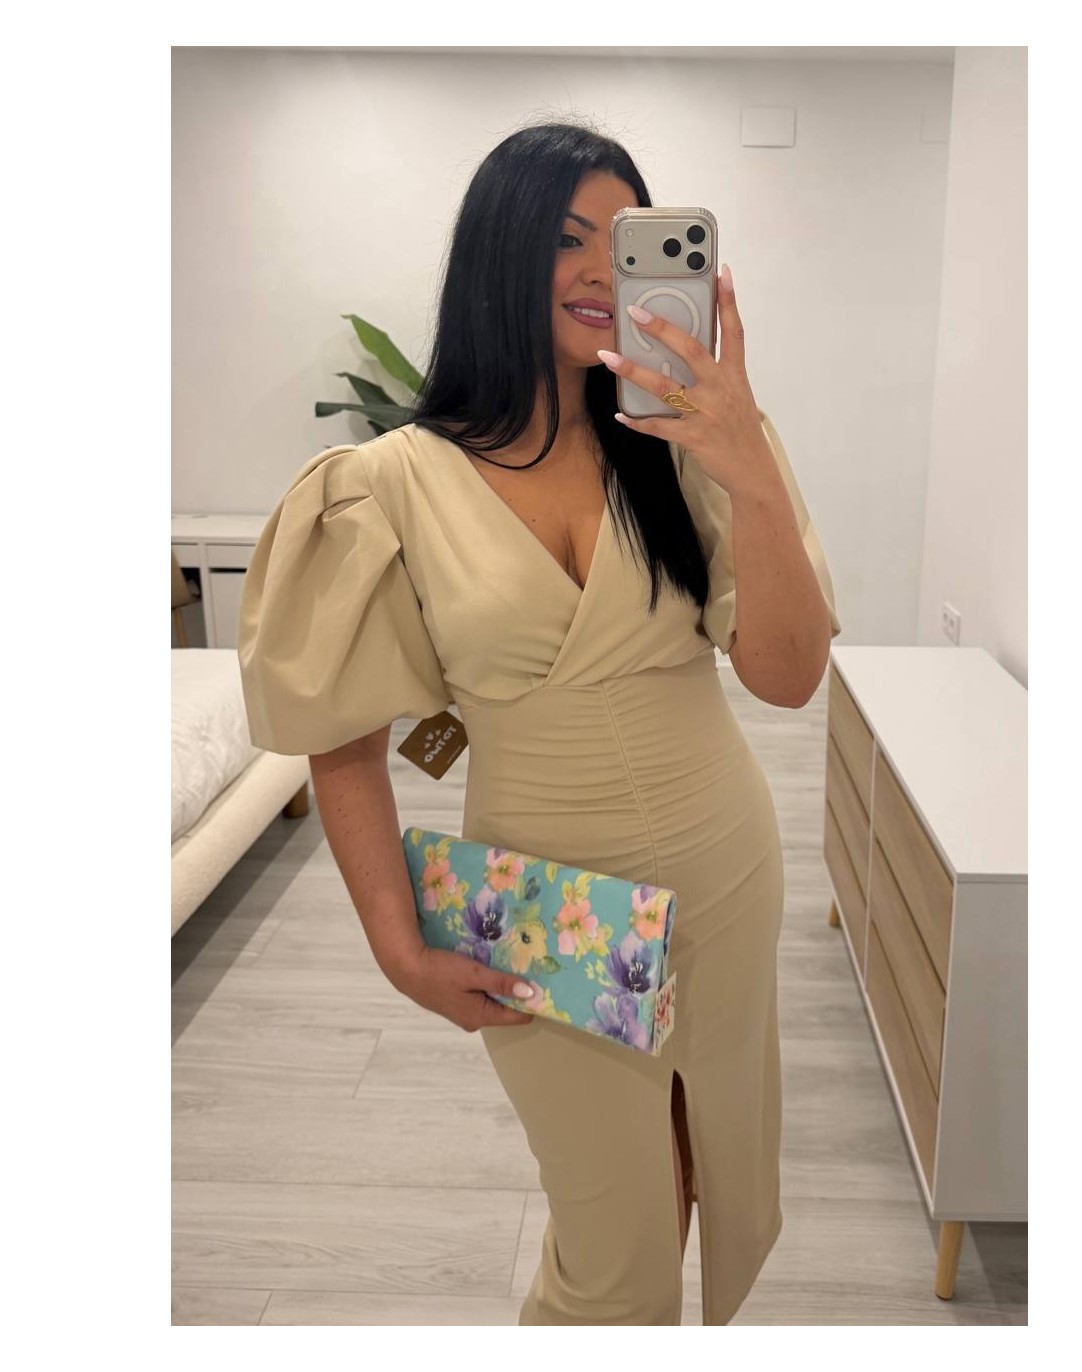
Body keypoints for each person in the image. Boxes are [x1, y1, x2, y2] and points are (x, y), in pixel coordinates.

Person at [238, 120, 841, 1326]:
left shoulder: (685, 445)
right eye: (567, 238)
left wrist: (749, 466)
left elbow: (786, 676)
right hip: (550, 912)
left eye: (623, 241)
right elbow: (343, 738)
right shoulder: (387, 484)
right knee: (609, 1250)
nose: (599, 269)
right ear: (497, 252)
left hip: (725, 873)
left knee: (706, 1167)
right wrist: (397, 946)